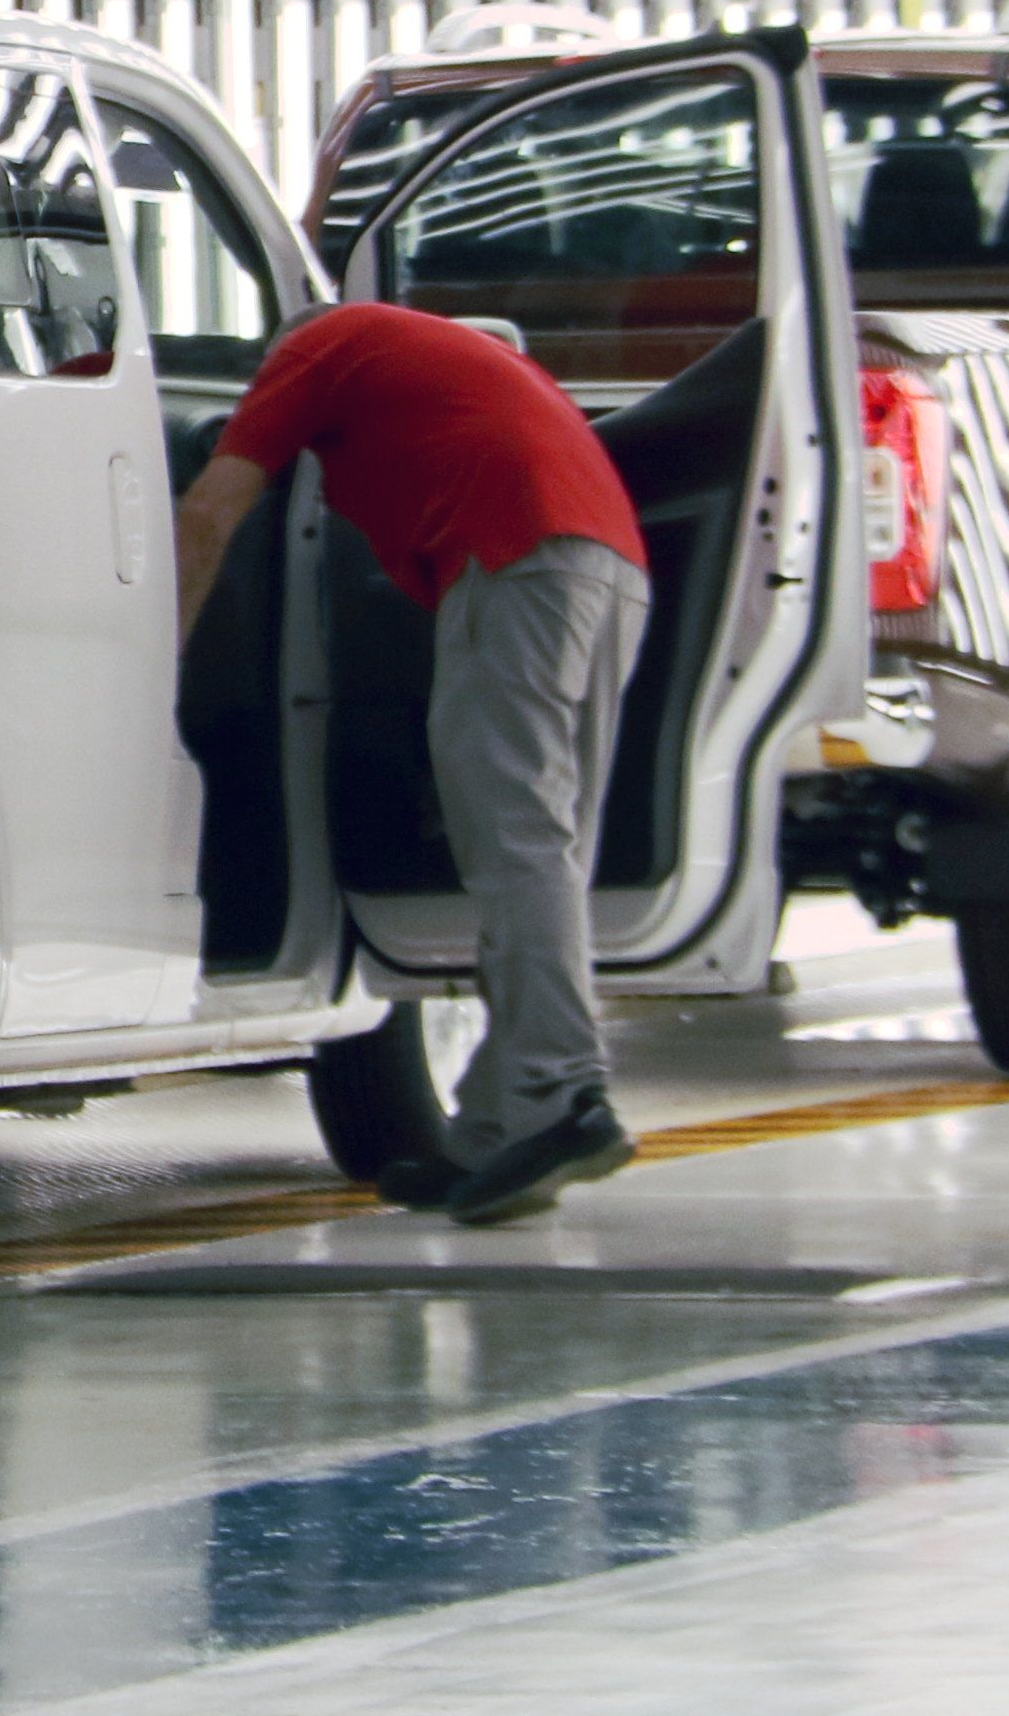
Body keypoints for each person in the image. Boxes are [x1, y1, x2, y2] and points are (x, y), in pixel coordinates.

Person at [172, 301, 651, 1226]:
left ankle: (567, 1092)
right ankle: (496, 1130)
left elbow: (209, 510)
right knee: (545, 843)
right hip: (606, 557)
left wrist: (157, 662)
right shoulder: (425, 351)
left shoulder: (312, 351)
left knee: (515, 835)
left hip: (515, 551)